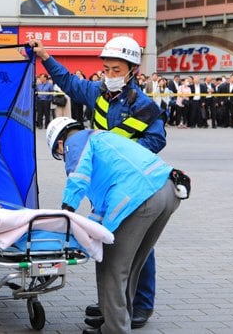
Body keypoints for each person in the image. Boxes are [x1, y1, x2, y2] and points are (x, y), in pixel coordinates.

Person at [30, 35, 166, 329]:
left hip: (132, 184)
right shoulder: (99, 93)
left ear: (132, 70)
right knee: (110, 241)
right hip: (104, 184)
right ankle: (113, 302)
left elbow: (157, 139)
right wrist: (45, 56)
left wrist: (120, 153)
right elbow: (68, 82)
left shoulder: (143, 106)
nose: (110, 75)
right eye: (107, 69)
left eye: (117, 70)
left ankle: (141, 305)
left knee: (139, 246)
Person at [46, 117, 183, 334]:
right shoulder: (103, 139)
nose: (64, 156)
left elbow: (77, 176)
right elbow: (102, 208)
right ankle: (117, 320)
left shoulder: (76, 140)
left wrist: (66, 211)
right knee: (132, 264)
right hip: (167, 189)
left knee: (111, 266)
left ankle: (115, 329)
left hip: (139, 197)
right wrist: (84, 235)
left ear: (60, 143)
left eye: (60, 153)